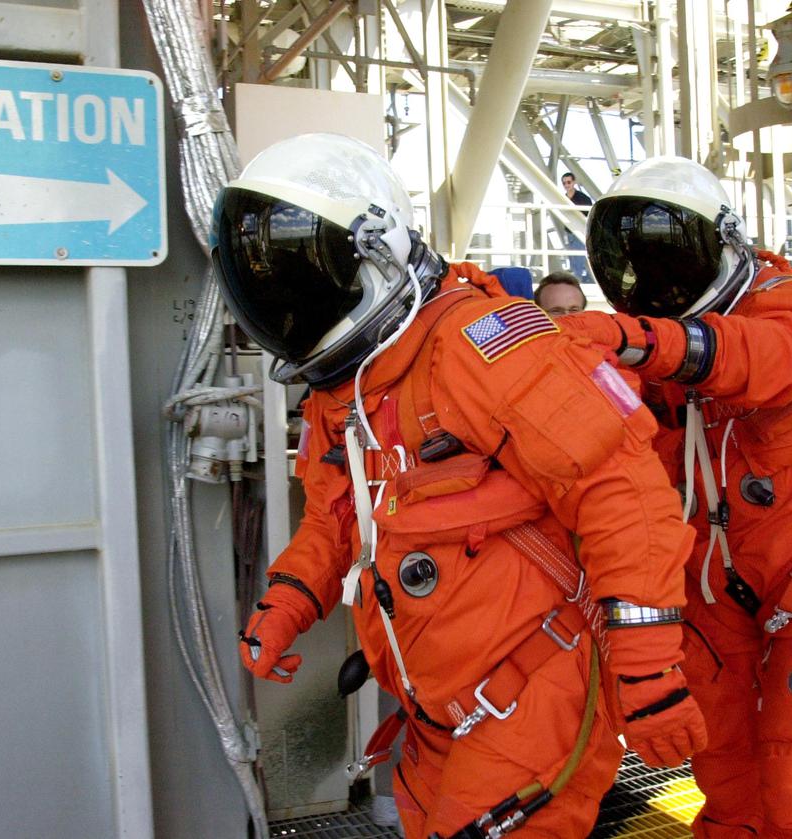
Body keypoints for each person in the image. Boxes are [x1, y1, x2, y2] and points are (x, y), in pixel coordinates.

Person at [216, 134, 705, 838]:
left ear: (374, 253)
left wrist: (649, 666)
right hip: (435, 704)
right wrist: (287, 599)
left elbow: (619, 487)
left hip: (532, 690)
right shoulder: (347, 389)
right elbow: (337, 517)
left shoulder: (483, 343)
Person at [562, 156, 792, 838]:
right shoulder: (658, 354)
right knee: (725, 775)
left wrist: (634, 340)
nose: (651, 283)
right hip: (715, 581)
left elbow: (757, 359)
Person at [561, 172, 593, 281]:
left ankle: (578, 280)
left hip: (579, 231)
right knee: (572, 257)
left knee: (578, 258)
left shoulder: (583, 198)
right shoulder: (562, 198)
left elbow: (589, 215)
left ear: (573, 182)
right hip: (568, 232)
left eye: (568, 182)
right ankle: (580, 279)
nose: (566, 185)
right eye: (564, 183)